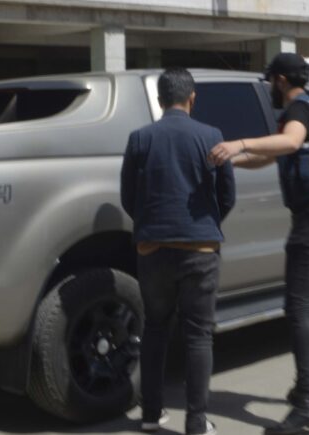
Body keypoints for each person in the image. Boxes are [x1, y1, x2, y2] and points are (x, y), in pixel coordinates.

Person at [208, 53, 309, 435]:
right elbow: (273, 155)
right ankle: (305, 388)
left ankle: (306, 401)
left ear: (281, 80)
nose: (269, 87)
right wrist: (234, 159)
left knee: (297, 307)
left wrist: (237, 142)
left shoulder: (298, 112)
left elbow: (289, 142)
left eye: (271, 81)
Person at [120, 67, 236, 435]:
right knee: (199, 335)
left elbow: (128, 197)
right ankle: (197, 423)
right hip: (199, 249)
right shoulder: (212, 137)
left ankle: (151, 416)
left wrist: (150, 225)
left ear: (159, 100)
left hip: (153, 250)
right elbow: (227, 196)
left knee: (155, 328)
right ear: (192, 98)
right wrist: (204, 224)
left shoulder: (140, 139)